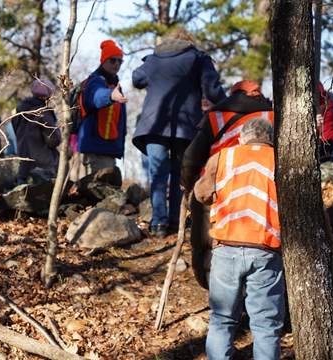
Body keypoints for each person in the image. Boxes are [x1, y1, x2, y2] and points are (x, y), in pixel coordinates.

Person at [195, 117, 284, 360]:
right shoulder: (282, 159)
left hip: (226, 246)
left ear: (242, 137)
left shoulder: (224, 156)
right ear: (271, 139)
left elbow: (202, 194)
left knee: (222, 320)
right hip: (266, 249)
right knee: (266, 325)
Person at [132, 27, 226, 237]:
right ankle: (175, 222)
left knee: (157, 172)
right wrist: (230, 104)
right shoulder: (198, 58)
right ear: (190, 41)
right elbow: (212, 91)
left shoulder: (154, 58)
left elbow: (137, 79)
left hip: (154, 124)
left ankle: (158, 223)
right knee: (180, 174)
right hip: (185, 126)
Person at [181, 79, 274, 289]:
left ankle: (218, 295)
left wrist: (188, 186)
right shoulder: (272, 116)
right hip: (259, 189)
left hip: (216, 187)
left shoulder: (215, 116)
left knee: (208, 244)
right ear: (257, 94)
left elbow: (191, 158)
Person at [76, 39, 128, 181]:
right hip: (96, 152)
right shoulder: (96, 81)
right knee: (98, 197)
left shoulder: (114, 84)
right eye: (112, 60)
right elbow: (96, 97)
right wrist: (110, 96)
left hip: (106, 151)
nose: (117, 64)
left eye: (120, 61)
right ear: (104, 61)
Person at [12, 79, 61, 183]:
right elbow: (53, 140)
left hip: (23, 166)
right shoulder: (44, 112)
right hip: (43, 166)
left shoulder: (19, 112)